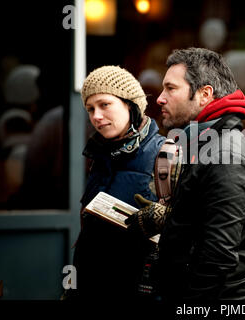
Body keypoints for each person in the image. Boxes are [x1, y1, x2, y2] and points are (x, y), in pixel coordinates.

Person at [127, 47, 245, 300]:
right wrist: (171, 218)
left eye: (171, 88)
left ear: (204, 95)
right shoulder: (206, 143)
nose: (159, 98)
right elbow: (204, 227)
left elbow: (218, 257)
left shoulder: (226, 156)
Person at [71, 65, 165, 298]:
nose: (96, 116)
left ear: (130, 104)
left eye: (104, 104)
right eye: (90, 109)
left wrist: (168, 216)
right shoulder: (99, 157)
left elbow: (203, 223)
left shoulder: (167, 155)